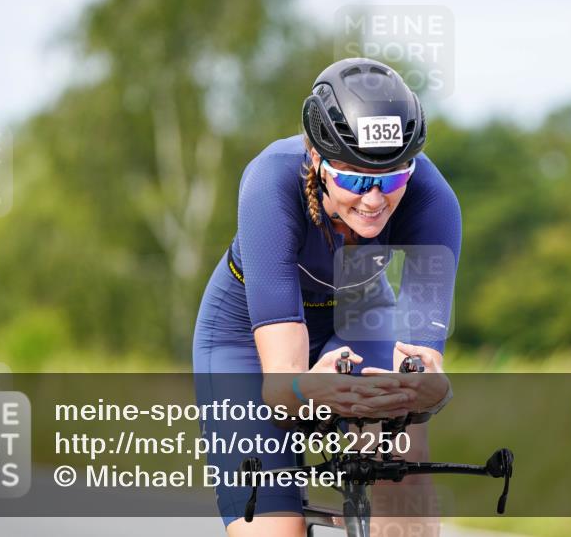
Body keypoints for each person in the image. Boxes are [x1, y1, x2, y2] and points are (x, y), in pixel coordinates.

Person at [192, 57, 462, 536]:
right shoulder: (269, 182)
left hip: (361, 311)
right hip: (244, 330)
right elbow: (281, 390)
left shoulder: (433, 199)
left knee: (404, 460)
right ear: (316, 158)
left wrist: (428, 391)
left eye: (393, 176)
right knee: (274, 527)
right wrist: (303, 388)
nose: (375, 199)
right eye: (357, 179)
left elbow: (424, 366)